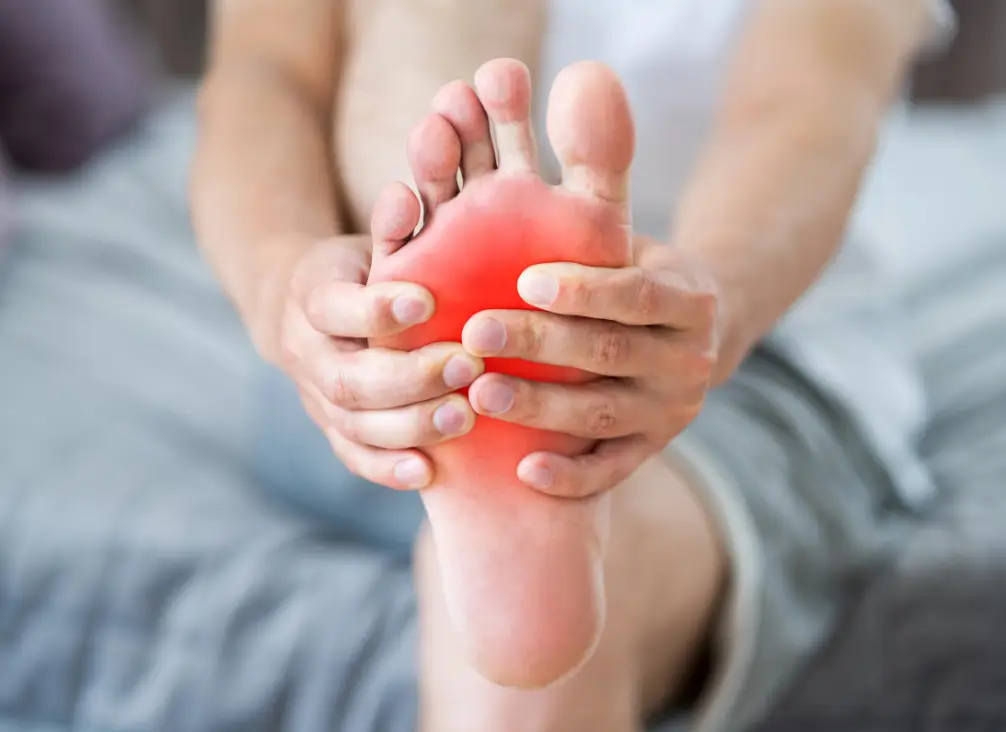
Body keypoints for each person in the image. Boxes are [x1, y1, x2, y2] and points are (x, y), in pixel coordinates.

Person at [190, 0, 958, 729]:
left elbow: (808, 110)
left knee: (530, 660)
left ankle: (458, 321)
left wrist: (699, 310)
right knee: (541, 590)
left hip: (759, 354)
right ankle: (443, 316)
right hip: (348, 360)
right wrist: (285, 286)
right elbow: (264, 78)